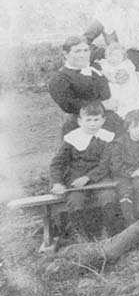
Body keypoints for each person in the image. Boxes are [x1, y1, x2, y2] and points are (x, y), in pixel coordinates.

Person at [49, 101, 118, 240]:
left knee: (108, 196)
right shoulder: (72, 139)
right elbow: (57, 163)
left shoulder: (107, 137)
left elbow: (105, 164)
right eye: (88, 120)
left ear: (103, 120)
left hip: (99, 177)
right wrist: (57, 183)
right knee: (75, 200)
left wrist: (88, 178)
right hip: (76, 178)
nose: (92, 124)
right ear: (80, 121)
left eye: (96, 120)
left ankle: (109, 233)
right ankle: (81, 235)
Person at [49, 35, 124, 136]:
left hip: (108, 122)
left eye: (86, 50)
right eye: (77, 51)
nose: (82, 55)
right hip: (81, 126)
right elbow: (69, 105)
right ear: (66, 54)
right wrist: (102, 105)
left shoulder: (95, 69)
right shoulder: (60, 79)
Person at [83, 0, 139, 90]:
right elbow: (84, 39)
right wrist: (101, 53)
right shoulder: (106, 17)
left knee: (138, 92)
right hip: (117, 62)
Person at [110, 110, 139, 226]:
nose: (138, 130)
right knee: (125, 194)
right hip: (123, 175)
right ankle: (129, 224)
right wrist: (131, 173)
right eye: (134, 127)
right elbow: (115, 165)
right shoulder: (119, 143)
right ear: (128, 128)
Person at [98, 42, 139, 119]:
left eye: (118, 56)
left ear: (123, 57)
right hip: (113, 90)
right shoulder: (105, 65)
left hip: (126, 88)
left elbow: (128, 74)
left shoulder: (126, 65)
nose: (114, 58)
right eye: (111, 55)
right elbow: (104, 73)